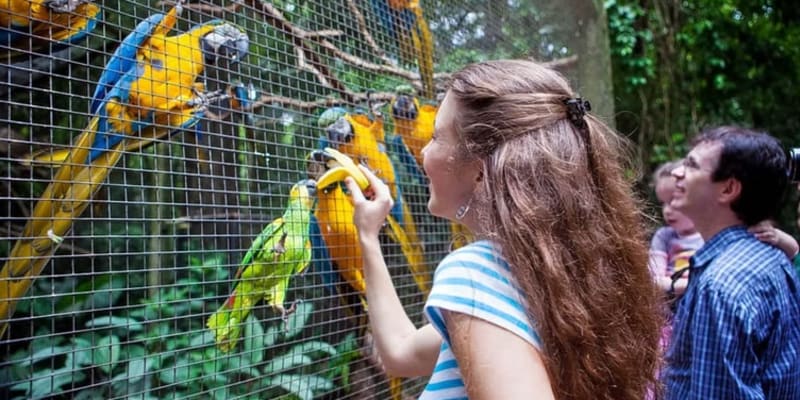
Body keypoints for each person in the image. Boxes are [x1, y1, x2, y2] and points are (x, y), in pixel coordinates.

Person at [343, 60, 662, 400]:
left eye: (436, 136)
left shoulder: (477, 276)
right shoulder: (559, 278)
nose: (422, 151)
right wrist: (368, 235)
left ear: (480, 172)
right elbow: (400, 351)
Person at [662, 126, 800, 399]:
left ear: (728, 189)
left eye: (691, 165)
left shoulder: (721, 284)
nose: (677, 172)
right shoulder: (770, 257)